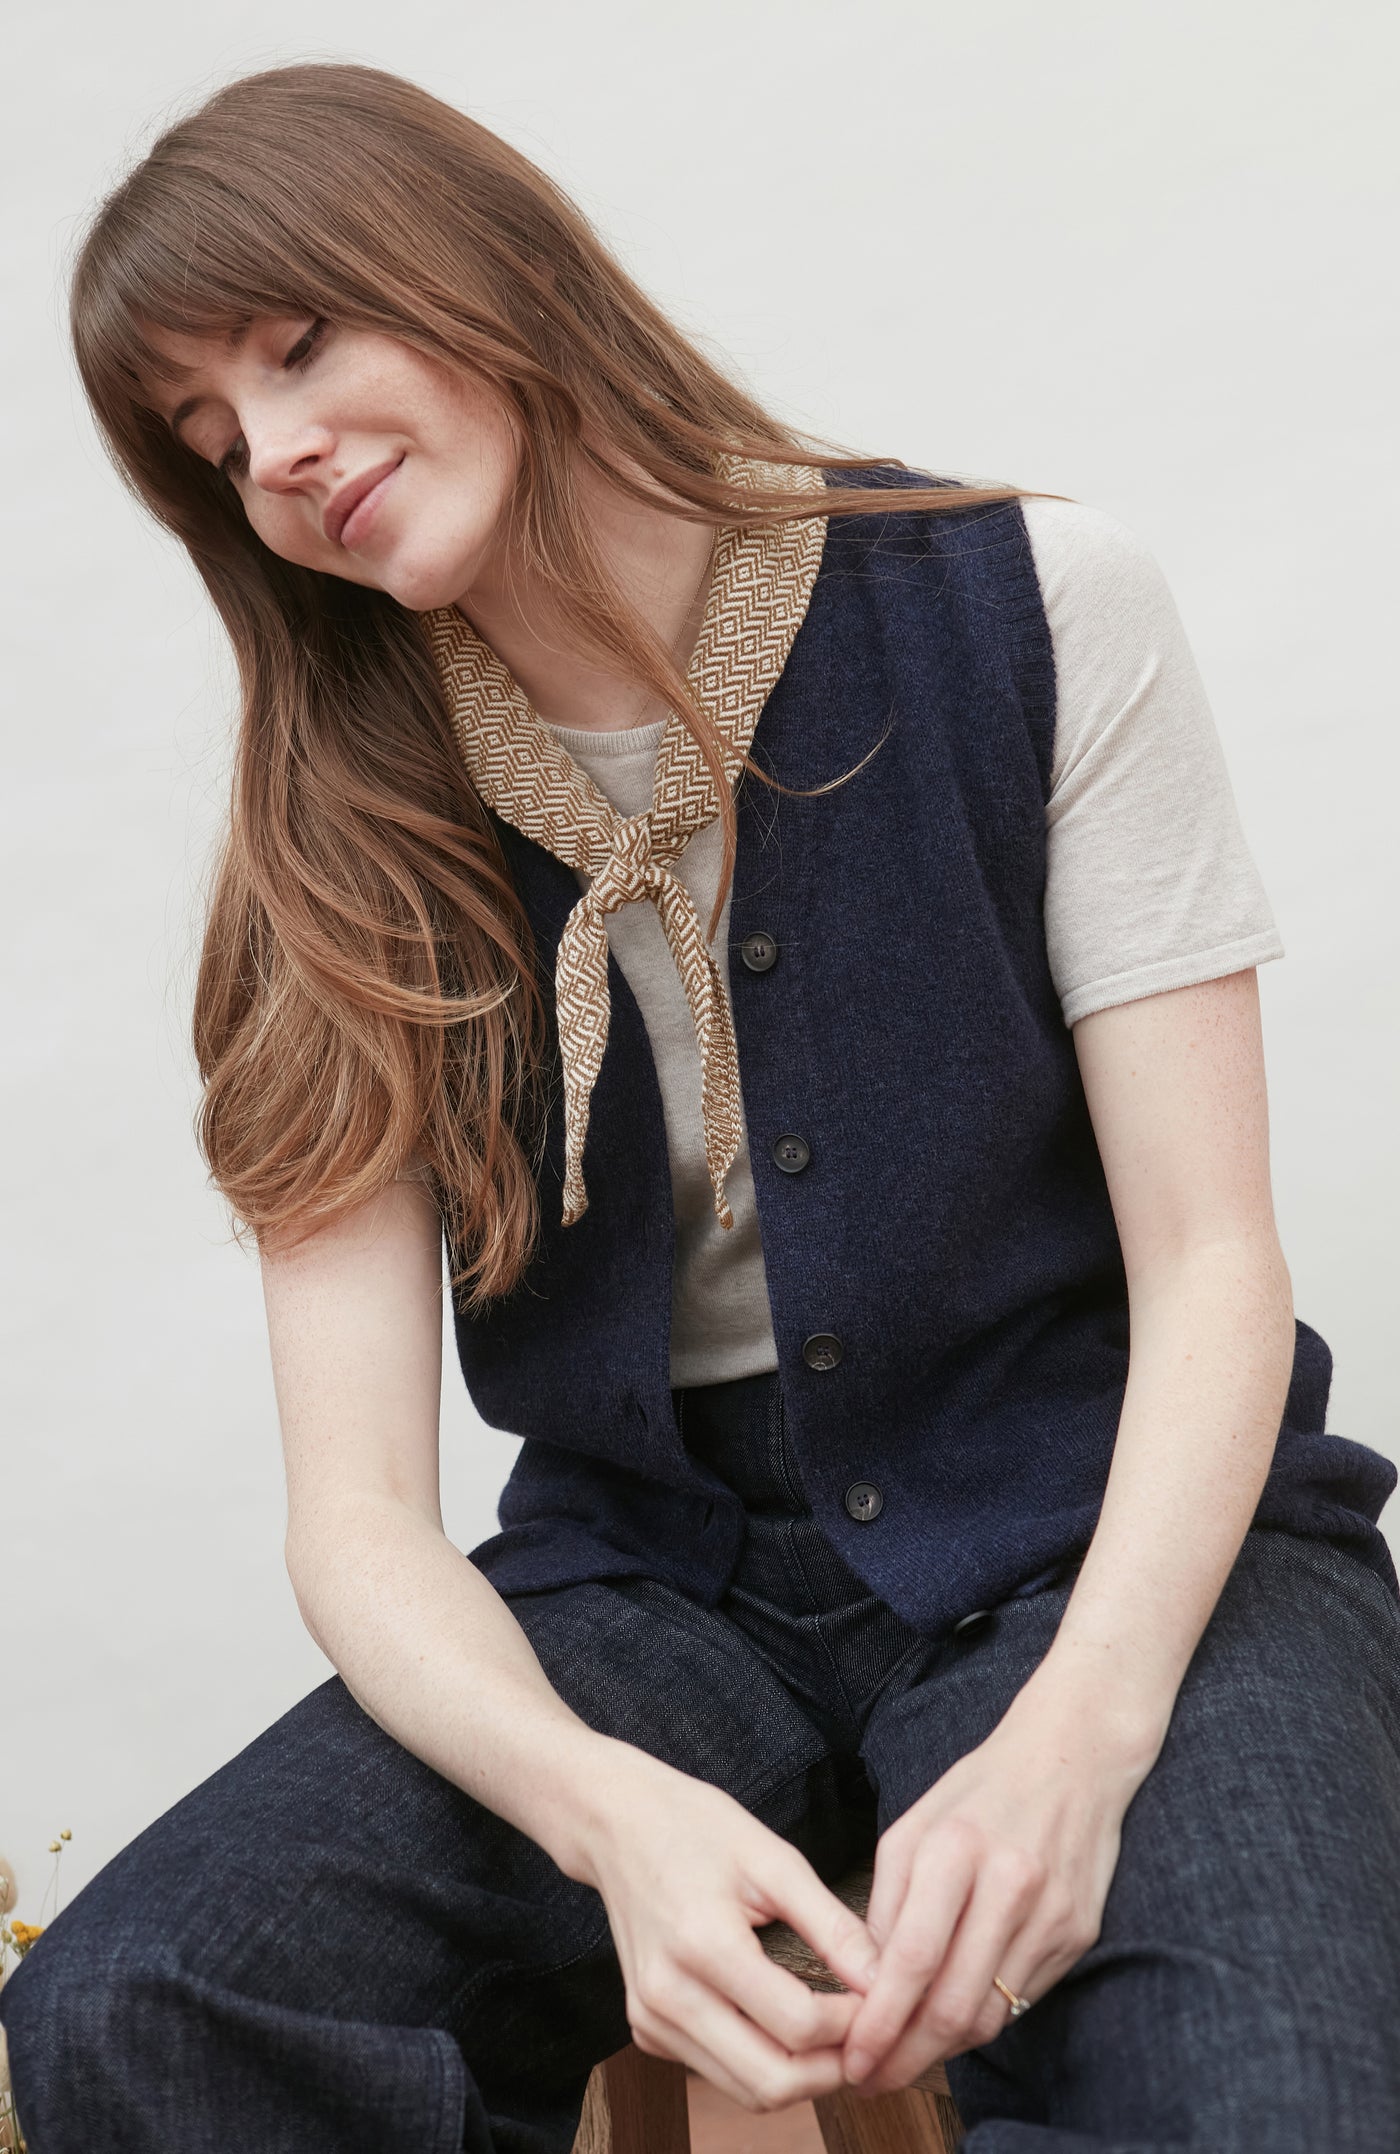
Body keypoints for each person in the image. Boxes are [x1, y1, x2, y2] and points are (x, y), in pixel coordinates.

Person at [3, 56, 1398, 2154]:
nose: (278, 453)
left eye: (300, 346)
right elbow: (361, 1521)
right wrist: (606, 1816)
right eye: (215, 438)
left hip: (1089, 1527)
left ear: (482, 267)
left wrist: (1076, 1744)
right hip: (650, 1595)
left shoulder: (1030, 604)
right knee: (142, 2007)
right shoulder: (330, 841)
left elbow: (1213, 1268)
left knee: (1267, 2101)